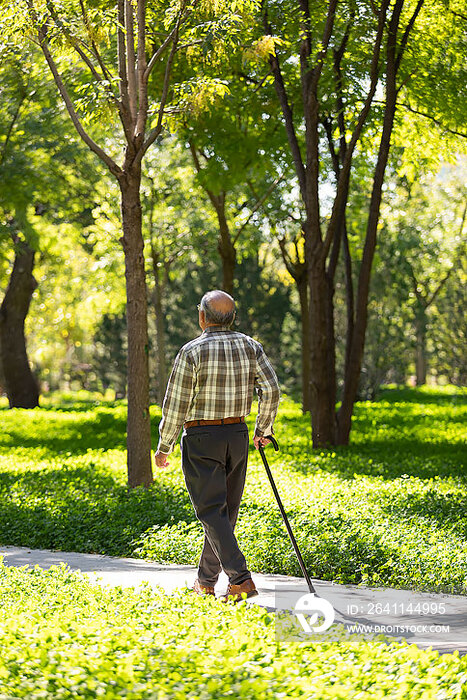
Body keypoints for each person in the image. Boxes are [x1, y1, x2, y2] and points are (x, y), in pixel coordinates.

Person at [154, 290, 280, 602]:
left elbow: (175, 404)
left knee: (211, 511)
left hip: (201, 437)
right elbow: (272, 390)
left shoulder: (191, 351)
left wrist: (164, 445)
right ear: (232, 318)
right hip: (237, 434)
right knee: (225, 512)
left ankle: (240, 579)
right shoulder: (251, 346)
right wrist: (262, 429)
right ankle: (205, 580)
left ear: (202, 317)